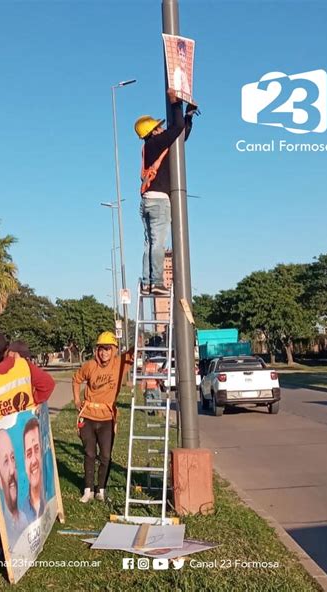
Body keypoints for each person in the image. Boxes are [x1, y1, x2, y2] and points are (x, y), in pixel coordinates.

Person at [0, 333, 55, 555]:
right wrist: (33, 406)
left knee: (0, 491)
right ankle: (36, 524)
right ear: (8, 350)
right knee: (30, 478)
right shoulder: (23, 366)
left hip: (2, 440)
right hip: (26, 432)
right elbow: (47, 384)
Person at [134, 91, 198, 296]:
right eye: (158, 127)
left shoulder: (151, 146)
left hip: (147, 201)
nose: (162, 129)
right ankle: (156, 282)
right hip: (159, 201)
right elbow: (177, 128)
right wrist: (175, 104)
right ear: (152, 132)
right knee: (158, 243)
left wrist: (188, 116)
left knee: (150, 243)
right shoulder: (155, 142)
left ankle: (147, 283)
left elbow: (180, 136)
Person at [72, 331, 134, 503]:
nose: (104, 353)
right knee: (89, 453)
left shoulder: (120, 363)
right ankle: (88, 489)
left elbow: (135, 350)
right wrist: (77, 400)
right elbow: (76, 379)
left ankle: (101, 489)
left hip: (107, 417)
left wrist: (141, 337)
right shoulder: (90, 366)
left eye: (107, 349)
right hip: (89, 416)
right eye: (100, 349)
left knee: (105, 456)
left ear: (114, 350)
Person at [0, 429, 27, 549]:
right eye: (6, 461)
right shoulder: (3, 520)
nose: (12, 471)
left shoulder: (25, 517)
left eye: (12, 458)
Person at [22, 417, 45, 522]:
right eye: (29, 454)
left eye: (36, 449)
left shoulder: (49, 500)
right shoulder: (21, 512)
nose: (34, 460)